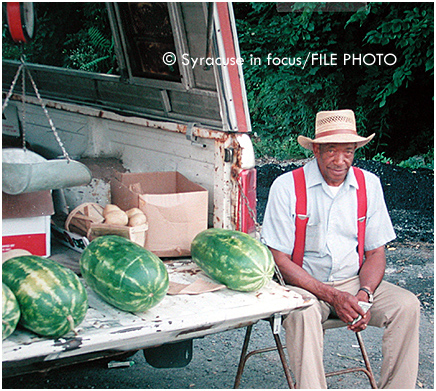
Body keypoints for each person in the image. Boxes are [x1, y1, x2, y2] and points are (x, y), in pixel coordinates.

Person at [261, 109, 420, 389]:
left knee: (407, 306)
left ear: (355, 151)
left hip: (354, 283)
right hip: (305, 285)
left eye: (348, 151)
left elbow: (376, 252)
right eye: (331, 151)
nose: (340, 160)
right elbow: (279, 261)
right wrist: (331, 295)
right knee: (301, 313)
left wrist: (364, 295)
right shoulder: (286, 187)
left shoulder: (368, 184)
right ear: (316, 150)